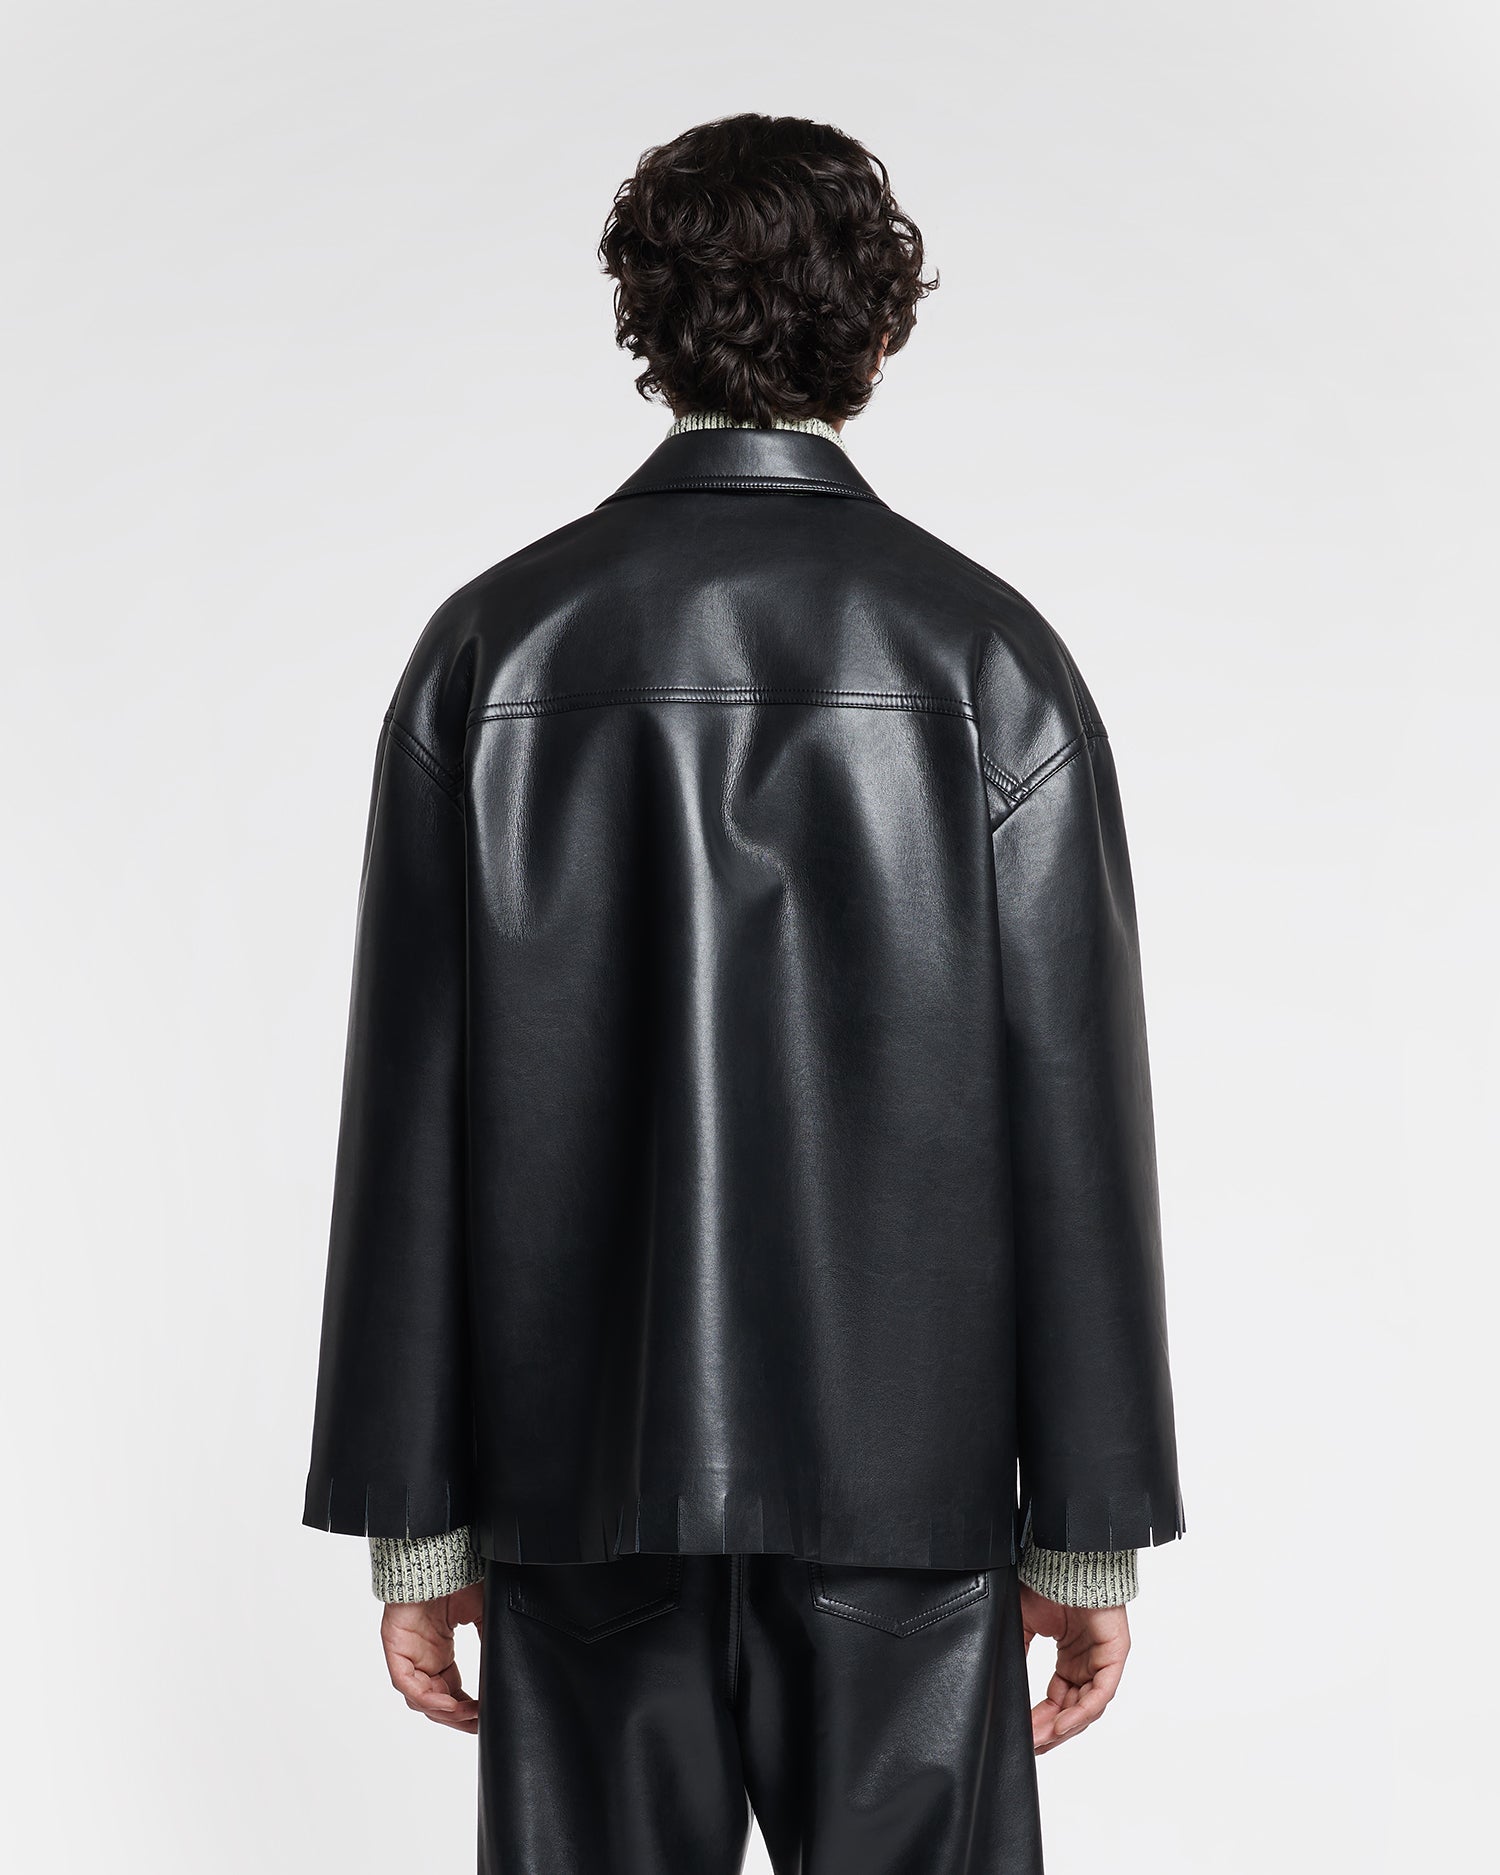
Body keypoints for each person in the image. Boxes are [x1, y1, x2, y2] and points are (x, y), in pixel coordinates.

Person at [302, 112, 1183, 1875]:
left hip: (579, 1488)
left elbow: (411, 1106)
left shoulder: (493, 646)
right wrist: (1084, 1530)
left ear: (644, 318)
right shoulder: (987, 657)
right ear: (879, 326)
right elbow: (1074, 1107)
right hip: (911, 1507)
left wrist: (420, 1524)